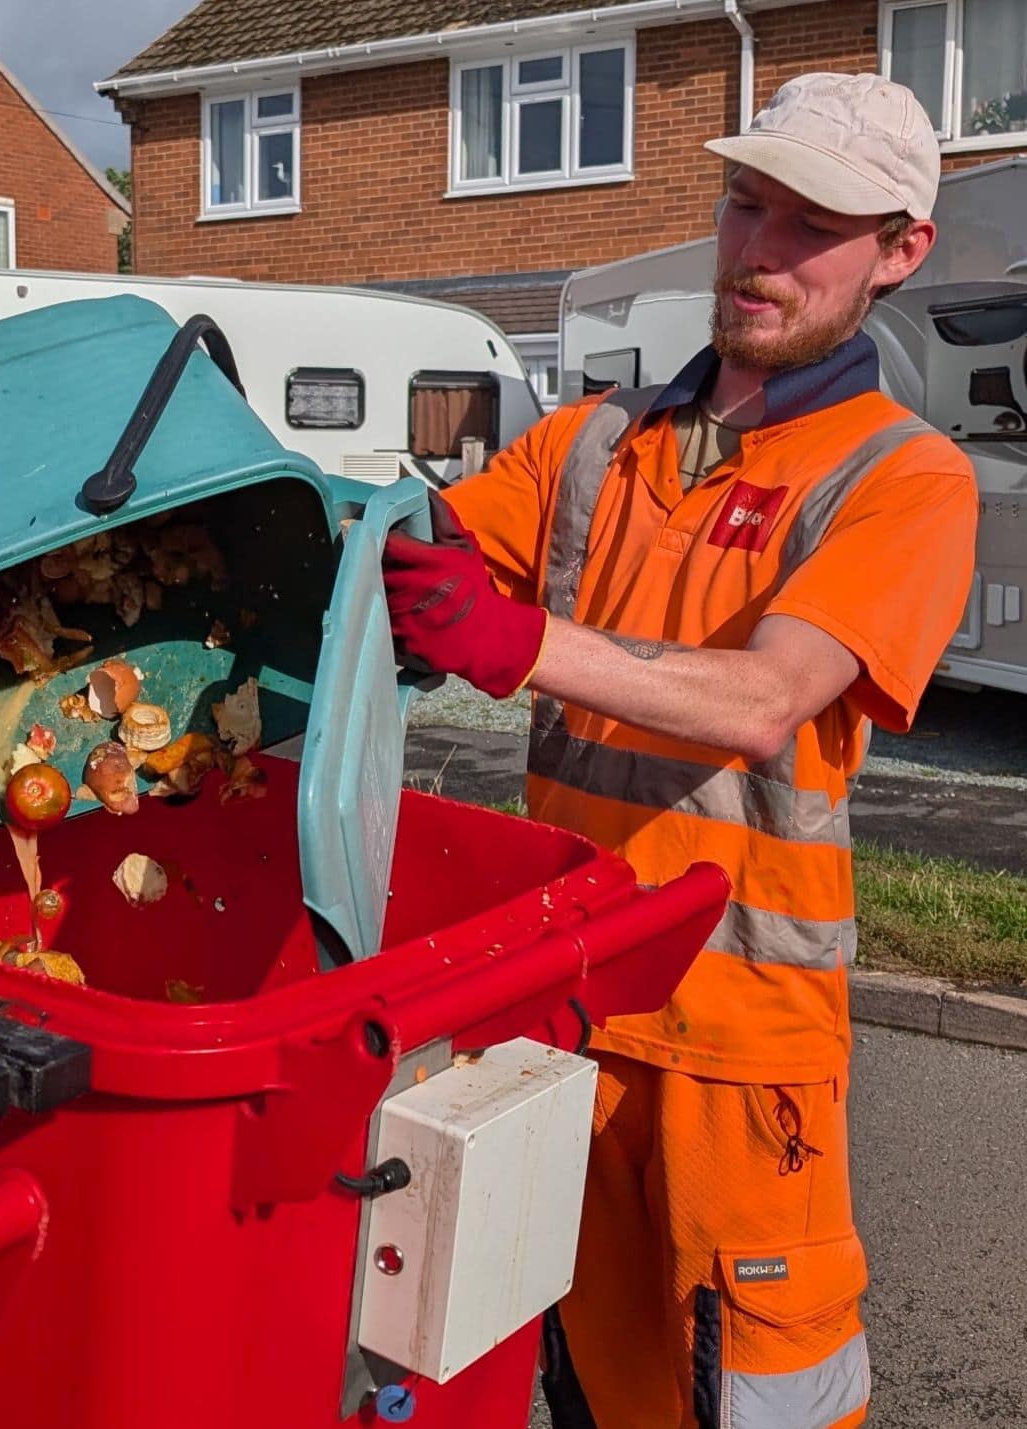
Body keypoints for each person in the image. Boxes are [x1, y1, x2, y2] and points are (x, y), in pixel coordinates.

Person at [382, 72, 978, 1428]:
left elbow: (769, 699)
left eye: (814, 224)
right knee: (577, 1387)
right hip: (562, 1020)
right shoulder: (594, 442)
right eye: (745, 203)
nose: (760, 250)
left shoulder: (903, 479)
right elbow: (419, 554)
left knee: (744, 1402)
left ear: (901, 252)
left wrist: (510, 639)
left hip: (739, 1050)